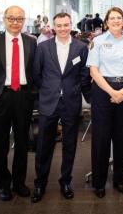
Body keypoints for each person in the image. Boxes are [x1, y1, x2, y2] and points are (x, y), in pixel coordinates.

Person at [0, 6, 37, 201]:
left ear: (24, 20)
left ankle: (19, 182)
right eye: (11, 18)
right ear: (4, 19)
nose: (15, 22)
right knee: (0, 144)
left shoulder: (31, 42)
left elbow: (36, 71)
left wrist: (33, 94)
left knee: (22, 142)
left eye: (19, 19)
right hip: (0, 97)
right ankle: (3, 184)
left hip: (23, 97)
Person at [31, 12, 91, 203]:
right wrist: (51, 89)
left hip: (71, 102)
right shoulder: (43, 47)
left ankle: (66, 181)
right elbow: (36, 74)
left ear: (71, 25)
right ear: (53, 27)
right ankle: (40, 183)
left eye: (66, 25)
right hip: (49, 101)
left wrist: (71, 89)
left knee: (70, 145)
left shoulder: (81, 48)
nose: (63, 28)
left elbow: (84, 73)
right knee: (43, 145)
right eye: (59, 25)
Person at [86, 7, 123, 198]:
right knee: (101, 138)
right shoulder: (98, 41)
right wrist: (112, 92)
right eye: (112, 18)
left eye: (119, 18)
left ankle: (120, 180)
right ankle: (99, 183)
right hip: (103, 91)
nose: (116, 21)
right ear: (106, 22)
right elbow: (93, 71)